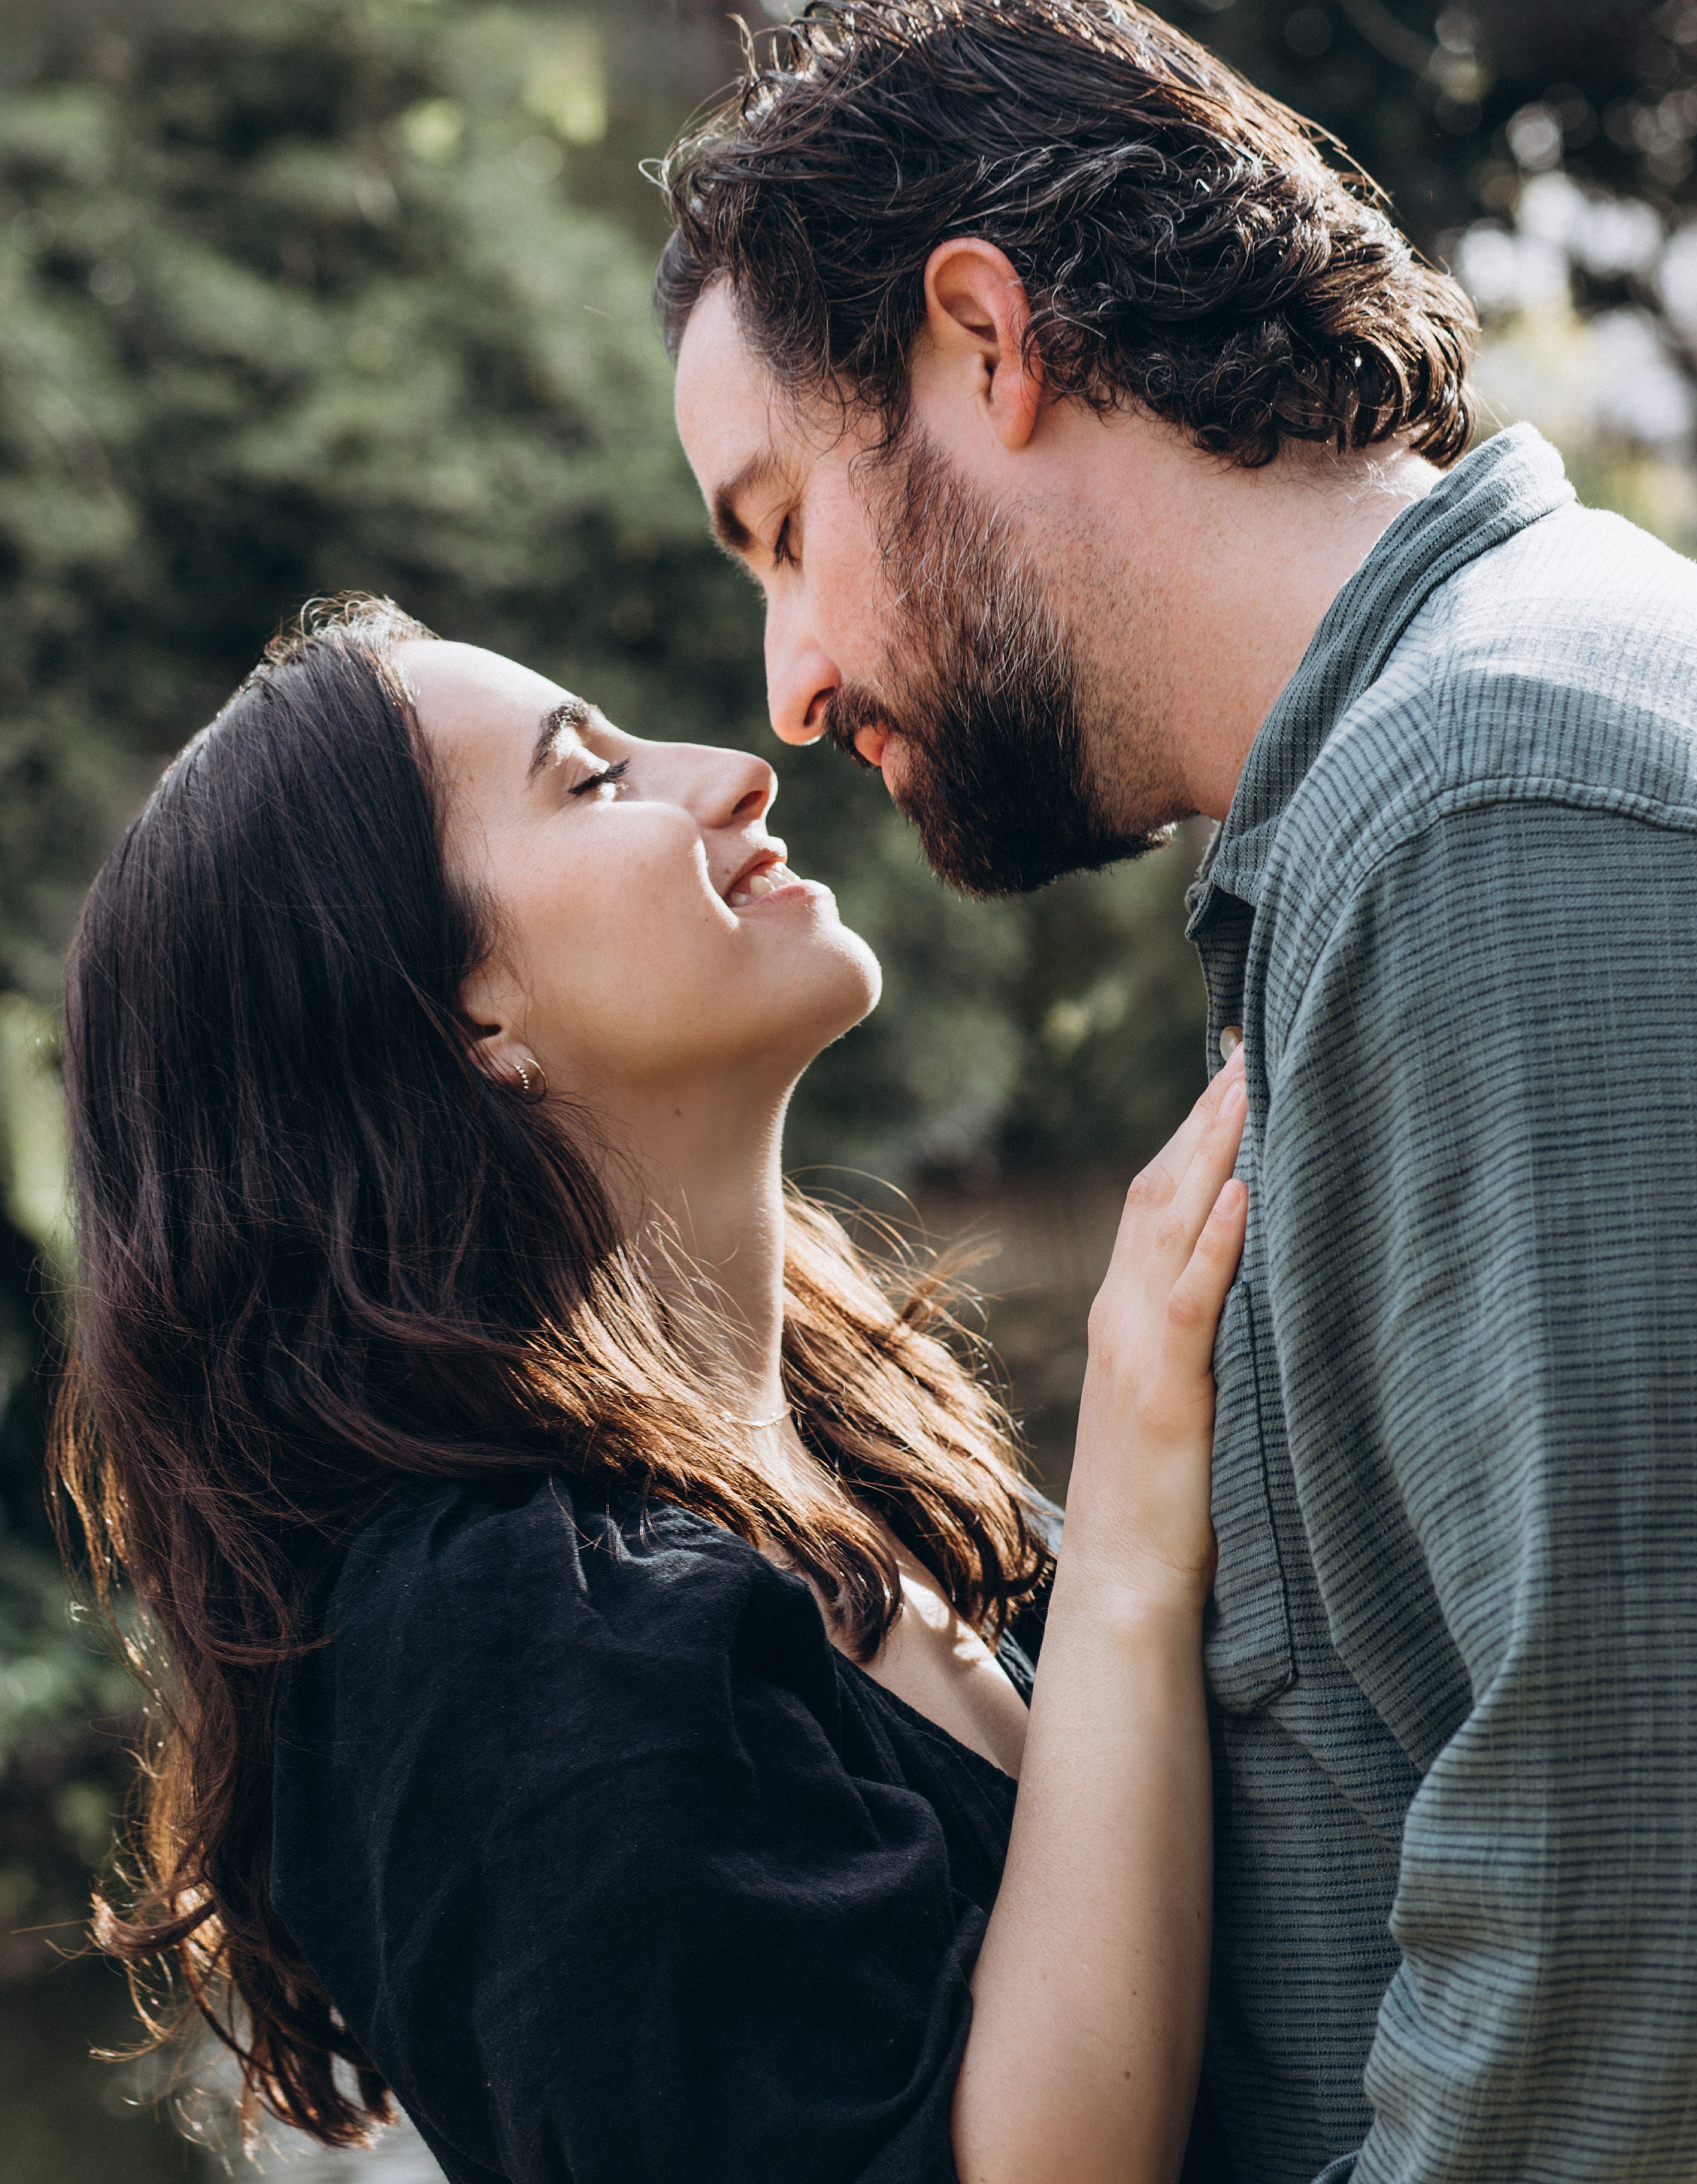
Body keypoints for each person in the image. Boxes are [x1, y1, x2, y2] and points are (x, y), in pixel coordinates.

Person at [660, 3, 1697, 2179]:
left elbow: (1620, 1966)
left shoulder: (1485, 814)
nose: (792, 682)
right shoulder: (1418, 795)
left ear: (983, 341)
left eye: (784, 529)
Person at [57, 595, 1251, 2184]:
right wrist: (1128, 1557)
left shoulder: (849, 1451)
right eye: (594, 778)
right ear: (463, 1015)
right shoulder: (493, 1640)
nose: (740, 770)